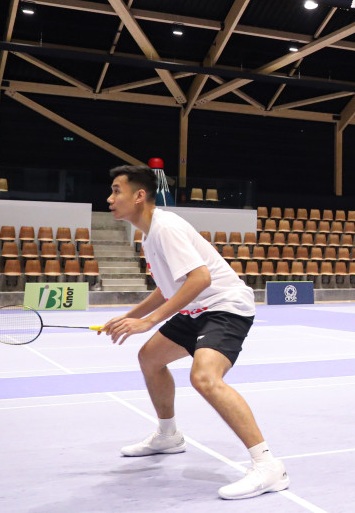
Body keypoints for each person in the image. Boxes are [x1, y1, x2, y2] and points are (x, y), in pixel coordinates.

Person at [102, 165, 289, 500]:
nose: (110, 198)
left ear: (140, 195)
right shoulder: (148, 236)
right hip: (196, 309)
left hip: (225, 305)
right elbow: (166, 289)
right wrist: (126, 318)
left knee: (204, 378)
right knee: (150, 358)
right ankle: (168, 435)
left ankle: (268, 466)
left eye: (117, 190)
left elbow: (200, 279)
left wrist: (148, 322)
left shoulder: (166, 228)